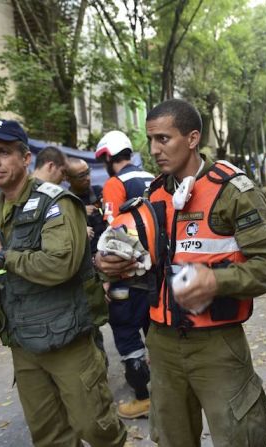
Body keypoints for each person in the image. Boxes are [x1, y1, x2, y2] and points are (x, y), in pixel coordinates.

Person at [95, 98, 266, 446]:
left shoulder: (232, 191)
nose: (154, 149)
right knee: (171, 438)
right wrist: (110, 266)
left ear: (193, 137)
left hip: (217, 344)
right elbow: (145, 264)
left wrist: (216, 281)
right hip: (162, 344)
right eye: (151, 140)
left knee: (238, 437)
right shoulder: (154, 194)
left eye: (163, 139)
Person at [0, 119, 126, 446]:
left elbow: (61, 265)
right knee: (49, 435)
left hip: (67, 339)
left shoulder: (56, 203)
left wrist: (2, 254)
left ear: (26, 158)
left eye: (3, 152)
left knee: (97, 429)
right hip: (22, 344)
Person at [95, 130, 155, 419]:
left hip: (126, 278)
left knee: (127, 336)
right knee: (155, 333)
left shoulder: (115, 184)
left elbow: (113, 235)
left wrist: (106, 276)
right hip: (155, 275)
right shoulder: (152, 179)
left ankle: (143, 400)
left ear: (108, 157)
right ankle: (169, 393)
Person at [66, 157, 107, 254]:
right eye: (81, 176)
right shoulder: (65, 201)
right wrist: (79, 211)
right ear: (68, 178)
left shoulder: (98, 192)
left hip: (104, 250)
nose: (88, 178)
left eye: (88, 172)